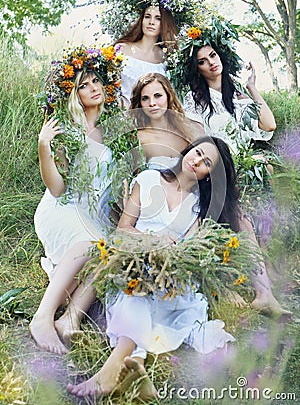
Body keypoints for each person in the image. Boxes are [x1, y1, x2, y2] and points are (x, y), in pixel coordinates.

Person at [67, 135, 239, 400]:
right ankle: (121, 371)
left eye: (206, 163)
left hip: (169, 275)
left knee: (158, 297)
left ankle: (121, 370)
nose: (196, 161)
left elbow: (189, 249)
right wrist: (150, 241)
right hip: (133, 262)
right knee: (135, 293)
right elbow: (123, 229)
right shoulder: (148, 180)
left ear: (209, 175)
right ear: (187, 151)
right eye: (197, 153)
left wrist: (169, 259)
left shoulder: (197, 207)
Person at [29, 45, 123, 354]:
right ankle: (42, 318)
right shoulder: (69, 130)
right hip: (62, 208)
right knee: (89, 245)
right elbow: (57, 189)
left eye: (96, 81)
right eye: (83, 85)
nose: (93, 88)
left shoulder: (116, 130)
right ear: (74, 93)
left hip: (94, 215)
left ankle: (69, 319)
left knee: (111, 251)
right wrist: (45, 146)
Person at [180, 23, 276, 155]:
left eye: (213, 55)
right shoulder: (195, 99)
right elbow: (198, 140)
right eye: (202, 61)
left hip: (242, 164)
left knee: (268, 168)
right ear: (197, 70)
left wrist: (252, 88)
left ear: (220, 56)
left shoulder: (238, 98)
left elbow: (269, 125)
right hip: (215, 163)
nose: (211, 62)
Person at [129, 72, 204, 171]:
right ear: (140, 103)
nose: (152, 103)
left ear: (169, 96)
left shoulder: (187, 130)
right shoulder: (139, 138)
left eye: (158, 96)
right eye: (145, 98)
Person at [115, 4, 177, 107]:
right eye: (147, 16)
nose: (151, 22)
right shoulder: (122, 49)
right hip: (120, 114)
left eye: (158, 18)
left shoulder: (166, 59)